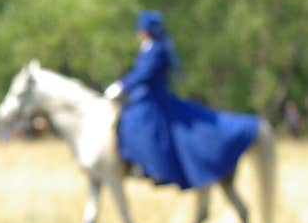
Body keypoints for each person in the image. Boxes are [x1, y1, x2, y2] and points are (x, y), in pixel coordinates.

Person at [104, 10, 259, 189]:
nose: (139, 32)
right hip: (143, 96)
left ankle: (149, 167)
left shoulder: (157, 49)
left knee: (137, 123)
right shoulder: (150, 47)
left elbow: (143, 73)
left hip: (154, 99)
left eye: (141, 29)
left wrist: (122, 85)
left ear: (145, 30)